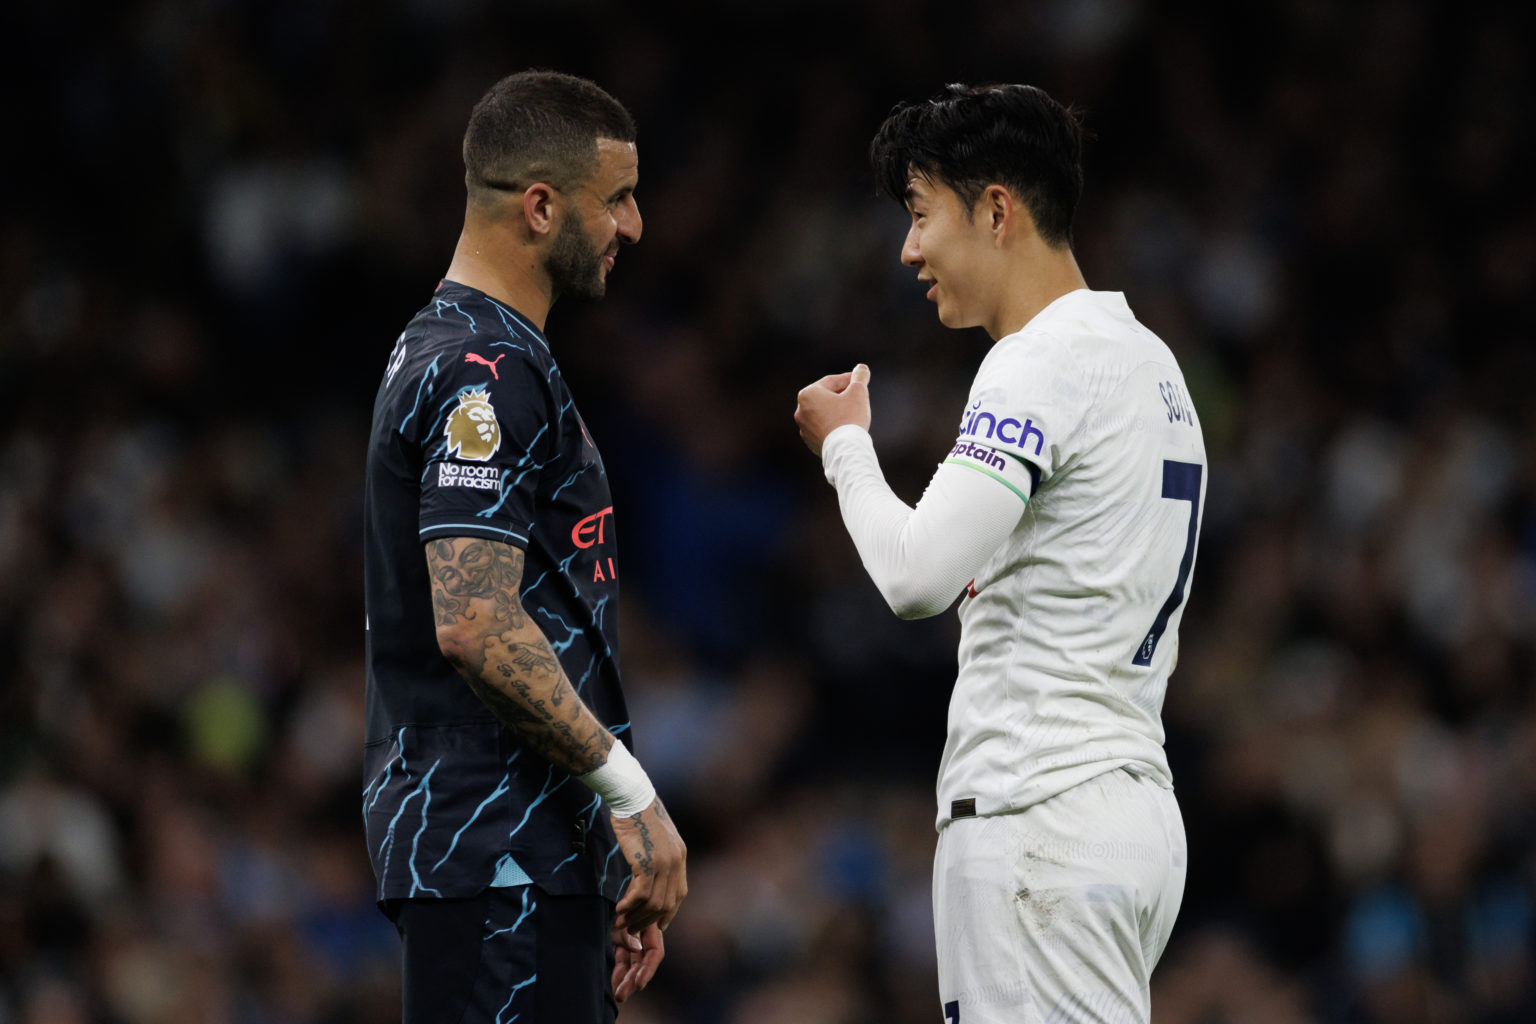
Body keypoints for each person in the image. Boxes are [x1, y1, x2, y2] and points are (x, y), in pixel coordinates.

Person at [794, 83, 1205, 1023]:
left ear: (994, 209)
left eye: (918, 212)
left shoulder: (1039, 359)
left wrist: (845, 447)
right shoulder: (1153, 364)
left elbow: (914, 577)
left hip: (1040, 814)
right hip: (1129, 810)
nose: (908, 249)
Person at [362, 70, 686, 1024]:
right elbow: (473, 619)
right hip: (494, 848)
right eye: (617, 198)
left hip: (518, 851)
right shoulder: (483, 368)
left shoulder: (464, 347)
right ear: (541, 206)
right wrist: (631, 798)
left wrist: (594, 836)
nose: (635, 225)